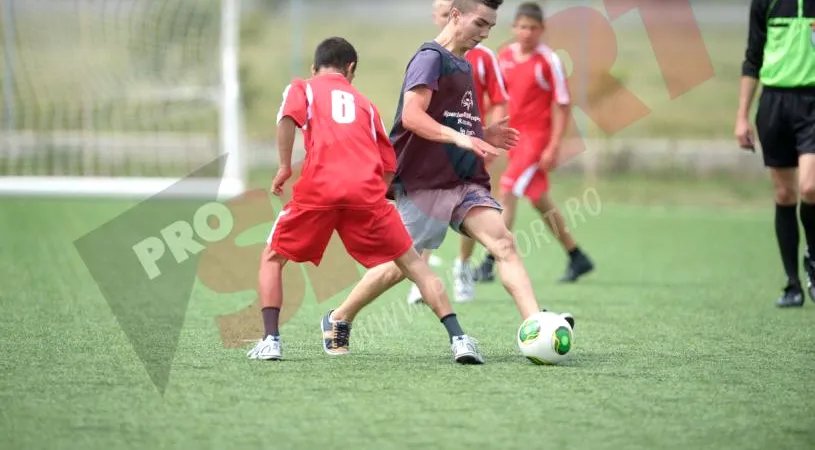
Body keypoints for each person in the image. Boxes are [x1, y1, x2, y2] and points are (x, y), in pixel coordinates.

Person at [319, 0, 575, 365]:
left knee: (504, 242)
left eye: (491, 26)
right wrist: (460, 139)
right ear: (456, 15)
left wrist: (481, 132)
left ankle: (536, 324)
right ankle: (339, 316)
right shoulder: (429, 58)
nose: (486, 33)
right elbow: (411, 116)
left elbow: (454, 122)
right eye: (480, 23)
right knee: (400, 263)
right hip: (424, 183)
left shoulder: (463, 64)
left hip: (462, 181)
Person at [247, 37, 476, 361]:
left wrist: (284, 167)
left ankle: (270, 341)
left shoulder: (303, 87)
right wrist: (373, 196)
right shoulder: (366, 105)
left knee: (272, 257)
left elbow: (286, 118)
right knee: (414, 264)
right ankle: (460, 340)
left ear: (315, 68)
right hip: (366, 193)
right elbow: (388, 163)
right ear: (350, 68)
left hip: (319, 189)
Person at [471, 2, 595, 284]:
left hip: (536, 141)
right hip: (513, 139)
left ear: (542, 30)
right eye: (522, 27)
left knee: (508, 189)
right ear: (514, 28)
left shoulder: (549, 60)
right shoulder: (503, 57)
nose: (527, 33)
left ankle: (490, 261)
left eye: (533, 28)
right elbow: (497, 97)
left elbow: (563, 106)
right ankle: (577, 256)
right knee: (541, 201)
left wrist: (553, 146)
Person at [405, 0, 511, 306]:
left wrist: (485, 138)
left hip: (472, 147)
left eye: (488, 26)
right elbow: (416, 112)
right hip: (436, 150)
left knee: (477, 212)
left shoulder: (482, 57)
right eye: (437, 13)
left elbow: (499, 99)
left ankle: (462, 267)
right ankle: (420, 277)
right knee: (427, 216)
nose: (437, 18)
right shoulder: (432, 58)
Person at [735, 0, 815, 307]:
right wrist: (741, 116)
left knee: (810, 187)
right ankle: (792, 284)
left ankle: (813, 254)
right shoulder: (765, 3)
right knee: (784, 195)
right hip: (774, 104)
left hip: (812, 101)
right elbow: (753, 58)